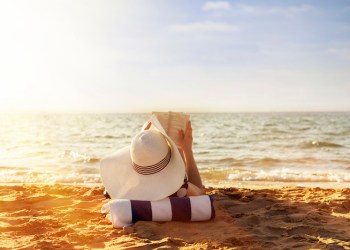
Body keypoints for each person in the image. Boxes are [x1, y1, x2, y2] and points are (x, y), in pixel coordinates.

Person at [100, 115, 203, 201]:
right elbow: (199, 191)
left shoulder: (126, 189)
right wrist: (187, 150)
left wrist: (142, 138)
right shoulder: (178, 189)